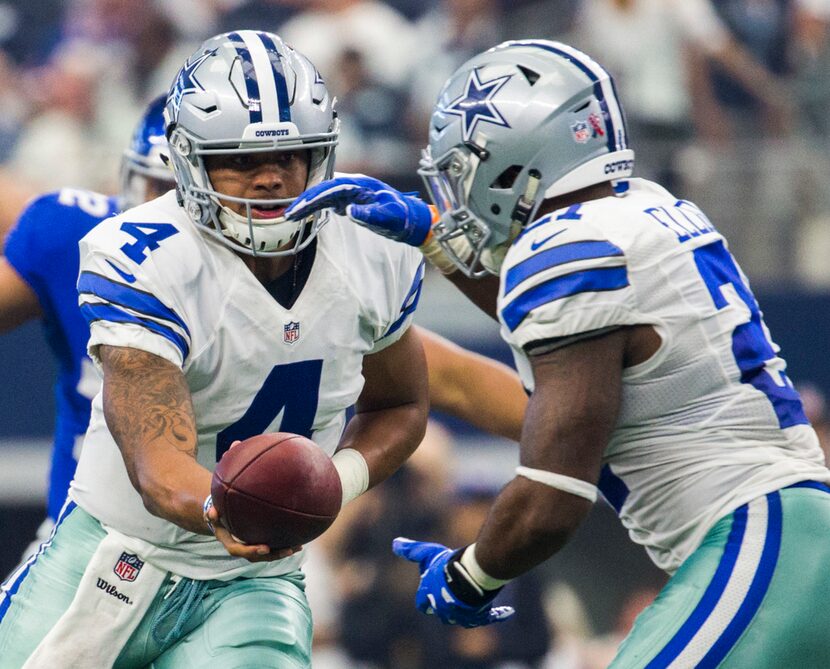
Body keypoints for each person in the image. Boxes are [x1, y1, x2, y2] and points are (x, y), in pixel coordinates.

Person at [285, 39, 830, 667]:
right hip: (787, 531)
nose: (459, 191)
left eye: (465, 167)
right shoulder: (643, 208)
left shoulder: (565, 255)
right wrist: (437, 241)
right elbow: (557, 336)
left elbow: (552, 496)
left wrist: (471, 575)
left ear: (516, 160)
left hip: (756, 543)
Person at [0, 31, 430, 669]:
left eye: (294, 156)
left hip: (252, 586)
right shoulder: (141, 256)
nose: (272, 179)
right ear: (187, 160)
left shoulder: (372, 247)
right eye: (239, 160)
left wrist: (333, 482)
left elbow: (402, 403)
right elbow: (158, 466)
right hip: (115, 558)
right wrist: (227, 508)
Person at [0, 94, 174, 538]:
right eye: (163, 191)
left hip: (222, 556)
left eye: (188, 198)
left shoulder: (290, 273)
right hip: (79, 541)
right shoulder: (76, 236)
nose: (173, 218)